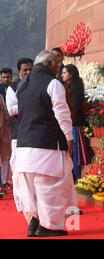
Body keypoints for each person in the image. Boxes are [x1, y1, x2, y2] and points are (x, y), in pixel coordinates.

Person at [15, 50, 75, 237]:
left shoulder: (22, 84)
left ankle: (33, 222)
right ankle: (49, 226)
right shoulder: (53, 83)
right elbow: (62, 114)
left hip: (24, 145)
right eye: (57, 63)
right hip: (47, 144)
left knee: (30, 189)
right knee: (51, 187)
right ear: (49, 63)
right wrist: (68, 137)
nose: (60, 67)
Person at [6, 58, 33, 212]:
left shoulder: (38, 84)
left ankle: (33, 203)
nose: (28, 72)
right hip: (18, 135)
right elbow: (12, 110)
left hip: (35, 135)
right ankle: (21, 203)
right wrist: (31, 106)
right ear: (19, 72)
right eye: (25, 70)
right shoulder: (13, 88)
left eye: (30, 69)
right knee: (17, 170)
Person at [61, 64, 92, 182]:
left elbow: (75, 107)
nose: (62, 75)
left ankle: (76, 176)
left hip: (74, 122)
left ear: (71, 74)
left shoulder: (75, 88)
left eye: (65, 73)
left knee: (75, 151)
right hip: (70, 122)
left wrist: (68, 120)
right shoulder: (68, 86)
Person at [0, 67, 13, 189]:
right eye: (3, 77)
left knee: (6, 155)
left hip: (6, 127)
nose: (6, 79)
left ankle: (4, 181)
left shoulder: (15, 88)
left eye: (8, 77)